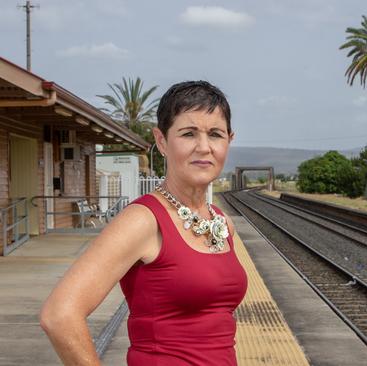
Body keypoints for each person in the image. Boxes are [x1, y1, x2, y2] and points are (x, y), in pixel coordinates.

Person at [40, 81, 248, 365]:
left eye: (215, 134)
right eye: (188, 134)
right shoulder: (142, 220)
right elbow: (59, 314)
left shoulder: (222, 223)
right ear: (161, 141)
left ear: (229, 140)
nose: (204, 147)